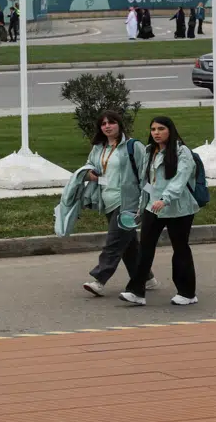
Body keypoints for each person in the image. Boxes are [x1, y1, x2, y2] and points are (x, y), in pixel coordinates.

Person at [121, 116, 201, 307]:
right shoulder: (150, 151)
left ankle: (187, 293)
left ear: (170, 130)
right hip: (152, 208)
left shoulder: (182, 152)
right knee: (145, 248)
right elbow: (146, 183)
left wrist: (165, 199)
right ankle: (136, 292)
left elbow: (180, 180)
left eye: (161, 129)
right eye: (153, 129)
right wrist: (142, 208)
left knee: (180, 248)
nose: (156, 133)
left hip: (179, 208)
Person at [80, 112, 156, 297]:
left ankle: (99, 280)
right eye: (103, 123)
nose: (107, 126)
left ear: (119, 125)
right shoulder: (99, 148)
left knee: (114, 242)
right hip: (107, 200)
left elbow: (145, 173)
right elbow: (89, 165)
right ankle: (147, 278)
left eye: (111, 122)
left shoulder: (133, 146)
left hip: (128, 202)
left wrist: (145, 201)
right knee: (128, 244)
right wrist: (89, 173)